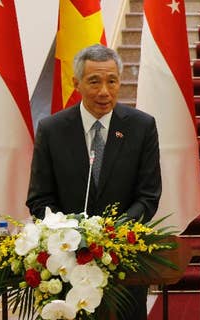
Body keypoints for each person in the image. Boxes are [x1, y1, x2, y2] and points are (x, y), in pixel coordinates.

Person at [26, 44, 161, 320]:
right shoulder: (52, 130)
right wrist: (73, 237)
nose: (104, 91)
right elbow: (39, 199)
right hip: (66, 265)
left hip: (122, 262)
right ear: (76, 84)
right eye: (94, 81)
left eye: (112, 81)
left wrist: (108, 237)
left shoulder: (141, 127)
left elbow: (148, 196)